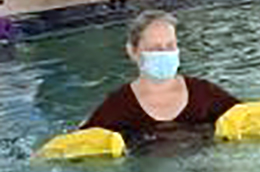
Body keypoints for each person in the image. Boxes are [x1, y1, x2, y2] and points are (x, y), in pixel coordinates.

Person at [81, 10, 240, 152]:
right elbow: (81, 144)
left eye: (170, 46)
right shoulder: (118, 106)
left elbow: (249, 120)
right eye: (155, 48)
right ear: (133, 52)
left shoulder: (205, 94)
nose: (164, 53)